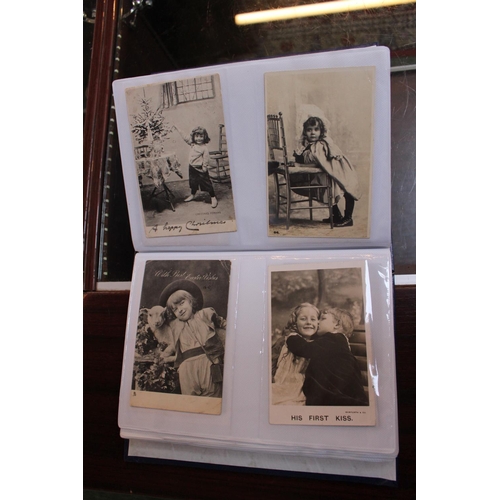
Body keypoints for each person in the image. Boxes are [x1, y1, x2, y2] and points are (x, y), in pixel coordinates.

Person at [286, 307, 368, 406]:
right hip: (340, 396)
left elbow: (305, 349)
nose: (318, 322)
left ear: (336, 324)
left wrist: (292, 337)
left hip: (339, 399)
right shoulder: (338, 342)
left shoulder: (333, 339)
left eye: (323, 319)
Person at [159, 279, 225, 397]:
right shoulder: (175, 326)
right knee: (190, 401)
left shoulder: (205, 314)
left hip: (207, 362)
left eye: (181, 303)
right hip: (187, 368)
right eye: (174, 309)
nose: (179, 310)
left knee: (213, 397)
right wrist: (165, 355)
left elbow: (223, 324)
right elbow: (173, 344)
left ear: (190, 301)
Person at [294, 116, 361, 227]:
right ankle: (336, 216)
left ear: (321, 131)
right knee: (327, 192)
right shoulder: (310, 145)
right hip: (330, 171)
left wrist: (300, 164)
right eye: (309, 130)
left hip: (339, 170)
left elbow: (319, 162)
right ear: (305, 132)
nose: (312, 133)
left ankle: (348, 218)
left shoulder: (320, 145)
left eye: (316, 129)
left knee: (347, 189)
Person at [271, 303, 319, 405]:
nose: (309, 322)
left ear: (318, 323)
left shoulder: (319, 344)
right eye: (303, 319)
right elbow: (272, 363)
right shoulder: (287, 340)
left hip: (303, 390)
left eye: (313, 319)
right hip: (282, 384)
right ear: (295, 322)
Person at [171, 124, 218, 208]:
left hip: (200, 168)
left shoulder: (204, 148)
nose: (199, 138)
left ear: (205, 137)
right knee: (193, 182)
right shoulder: (192, 144)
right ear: (193, 137)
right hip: (192, 167)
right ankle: (192, 195)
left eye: (201, 136)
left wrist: (204, 167)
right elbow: (185, 137)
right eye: (197, 136)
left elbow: (206, 159)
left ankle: (213, 197)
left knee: (207, 183)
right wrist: (178, 129)